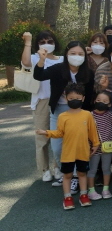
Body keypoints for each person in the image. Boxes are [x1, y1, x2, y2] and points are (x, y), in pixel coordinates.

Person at [33, 40, 95, 193]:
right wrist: (42, 59)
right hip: (59, 112)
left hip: (80, 113)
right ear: (66, 54)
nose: (76, 56)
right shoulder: (58, 68)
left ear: (85, 56)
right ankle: (65, 172)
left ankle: (74, 177)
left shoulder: (88, 72)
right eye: (73, 53)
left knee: (79, 145)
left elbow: (90, 95)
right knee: (57, 147)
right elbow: (39, 75)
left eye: (80, 54)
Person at [35, 83, 100, 210]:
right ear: (66, 98)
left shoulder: (87, 115)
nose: (74, 100)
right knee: (67, 175)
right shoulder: (62, 116)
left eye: (77, 98)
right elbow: (60, 133)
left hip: (83, 151)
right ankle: (67, 197)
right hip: (68, 153)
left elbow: (93, 132)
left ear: (83, 98)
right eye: (71, 98)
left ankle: (83, 195)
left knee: (82, 173)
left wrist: (96, 144)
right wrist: (47, 132)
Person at [21, 30, 63, 183]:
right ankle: (45, 169)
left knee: (60, 137)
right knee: (42, 137)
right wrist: (28, 41)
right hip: (41, 101)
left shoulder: (63, 60)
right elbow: (25, 63)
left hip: (61, 101)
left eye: (50, 41)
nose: (46, 44)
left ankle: (58, 166)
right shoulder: (34, 58)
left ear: (55, 43)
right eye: (42, 42)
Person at [87, 91, 112, 200]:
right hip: (93, 148)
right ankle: (91, 190)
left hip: (107, 147)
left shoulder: (109, 114)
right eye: (98, 100)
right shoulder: (89, 115)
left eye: (104, 101)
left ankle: (106, 189)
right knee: (92, 169)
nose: (100, 102)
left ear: (109, 104)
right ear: (94, 101)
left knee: (106, 168)